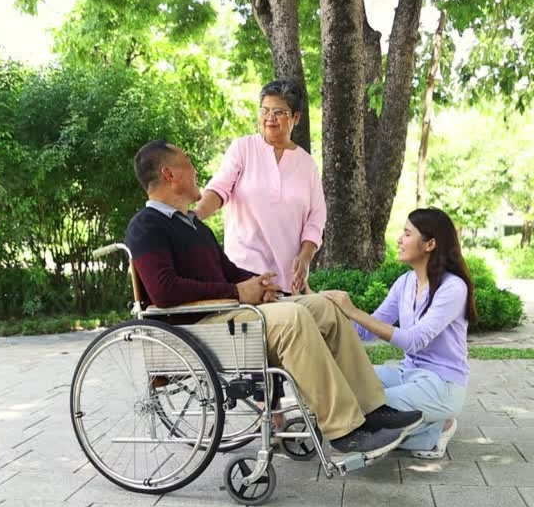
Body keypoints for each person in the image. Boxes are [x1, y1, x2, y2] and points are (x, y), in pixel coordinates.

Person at [124, 139, 423, 458]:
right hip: (198, 327)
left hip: (227, 314)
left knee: (323, 306)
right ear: (170, 174)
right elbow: (164, 291)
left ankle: (371, 409)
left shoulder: (194, 227)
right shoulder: (146, 226)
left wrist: (259, 286)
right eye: (188, 161)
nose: (196, 169)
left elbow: (227, 271)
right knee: (293, 319)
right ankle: (343, 429)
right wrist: (237, 292)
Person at [322, 208, 475, 459]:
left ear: (430, 244)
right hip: (407, 374)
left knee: (368, 408)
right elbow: (366, 330)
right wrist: (326, 314)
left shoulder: (452, 288)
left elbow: (414, 341)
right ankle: (428, 427)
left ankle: (438, 426)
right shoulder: (404, 283)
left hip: (442, 384)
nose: (399, 240)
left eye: (407, 233)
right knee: (345, 386)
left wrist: (353, 310)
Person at [194, 79, 325, 295]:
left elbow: (316, 218)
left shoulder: (307, 164)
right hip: (244, 271)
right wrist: (196, 215)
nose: (270, 118)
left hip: (287, 277)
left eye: (279, 112)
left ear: (296, 117)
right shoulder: (243, 148)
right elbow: (219, 189)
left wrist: (306, 257)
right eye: (265, 110)